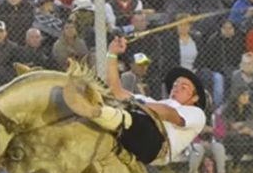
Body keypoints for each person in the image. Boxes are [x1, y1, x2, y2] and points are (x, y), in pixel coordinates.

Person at [63, 36, 207, 166]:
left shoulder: (197, 113)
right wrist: (112, 53)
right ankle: (89, 115)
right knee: (118, 108)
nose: (176, 88)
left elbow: (170, 114)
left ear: (194, 97)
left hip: (157, 145)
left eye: (184, 87)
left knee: (138, 119)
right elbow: (117, 91)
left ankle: (97, 111)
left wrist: (135, 105)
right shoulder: (150, 101)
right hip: (135, 132)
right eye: (175, 85)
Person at [222, 87, 253, 173]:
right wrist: (242, 129)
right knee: (239, 141)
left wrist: (243, 127)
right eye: (243, 95)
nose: (245, 98)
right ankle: (235, 170)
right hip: (230, 137)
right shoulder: (227, 108)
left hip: (246, 134)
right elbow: (227, 126)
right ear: (237, 97)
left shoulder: (250, 107)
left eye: (247, 95)